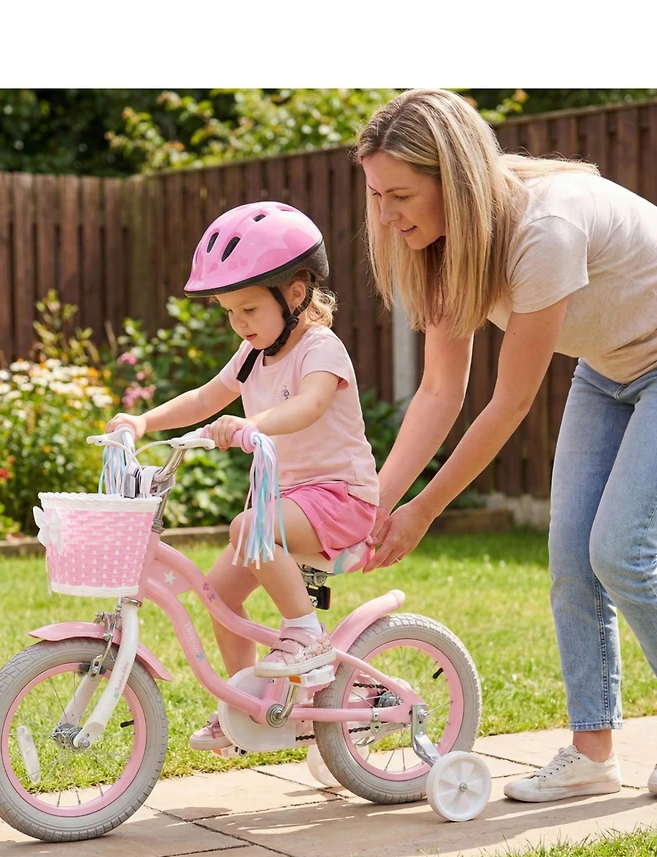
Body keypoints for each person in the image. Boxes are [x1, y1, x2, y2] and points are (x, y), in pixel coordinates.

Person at [357, 87, 657, 802]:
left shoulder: (544, 228)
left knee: (618, 550)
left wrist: (424, 511)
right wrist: (373, 504)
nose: (386, 214)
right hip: (611, 369)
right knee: (570, 560)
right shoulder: (441, 248)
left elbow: (509, 402)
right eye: (376, 195)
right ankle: (593, 754)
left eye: (400, 195)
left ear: (453, 181)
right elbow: (438, 391)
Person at [106, 201, 380, 752]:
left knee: (247, 525)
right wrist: (144, 420)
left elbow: (308, 406)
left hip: (341, 498)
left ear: (295, 293)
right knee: (220, 596)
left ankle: (305, 637)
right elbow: (207, 397)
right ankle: (245, 706)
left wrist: (251, 425)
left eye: (249, 309)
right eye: (230, 311)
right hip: (288, 502)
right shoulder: (253, 354)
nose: (239, 323)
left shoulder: (321, 349)